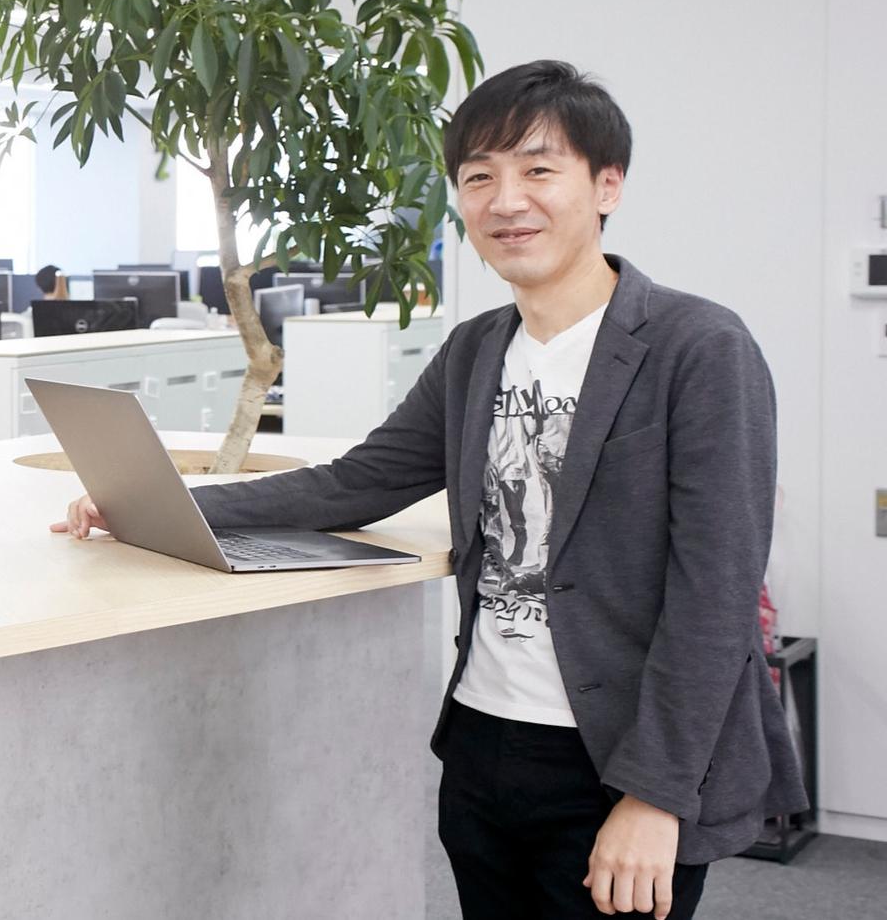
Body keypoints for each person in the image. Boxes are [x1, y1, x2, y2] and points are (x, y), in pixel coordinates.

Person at [56, 61, 804, 919]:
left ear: (608, 185)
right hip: (483, 743)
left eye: (537, 169)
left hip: (615, 761)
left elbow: (715, 593)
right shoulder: (475, 349)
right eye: (479, 177)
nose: (506, 200)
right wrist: (159, 505)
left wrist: (655, 794)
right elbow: (355, 482)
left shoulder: (698, 347)